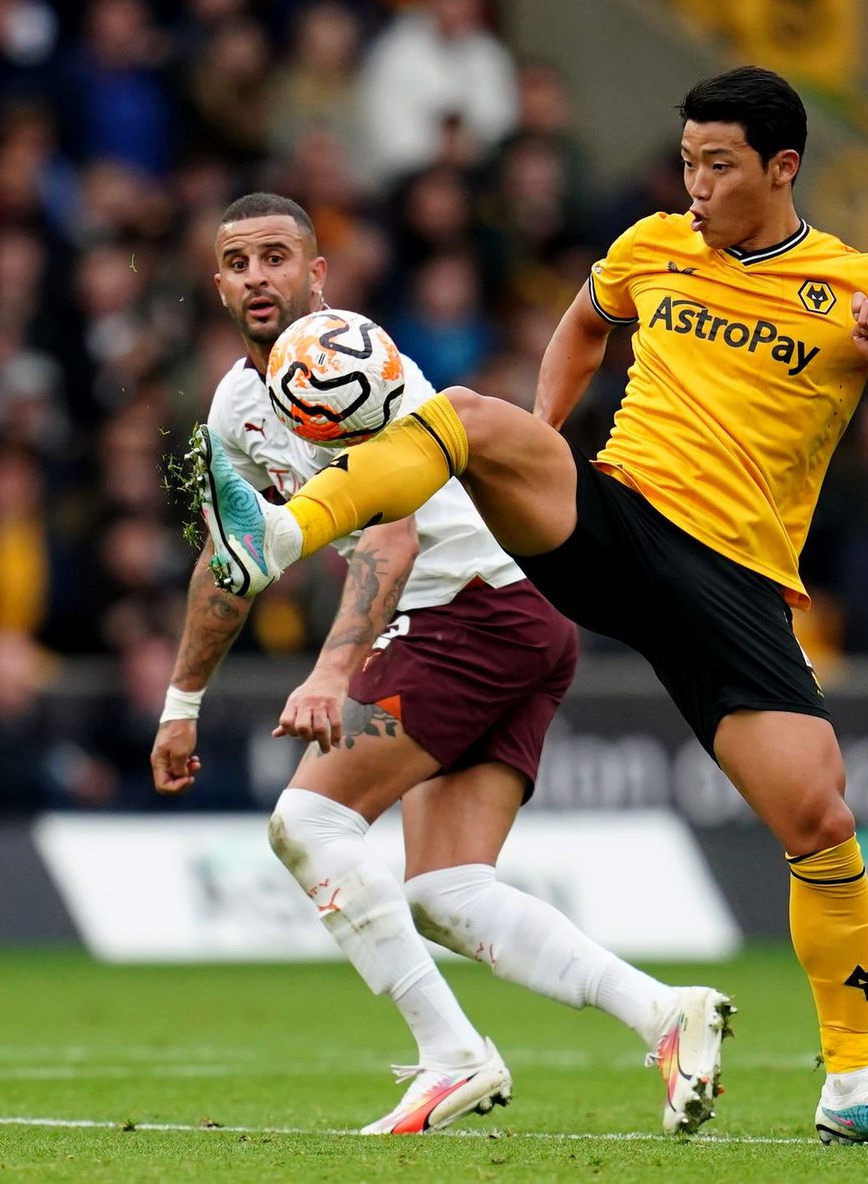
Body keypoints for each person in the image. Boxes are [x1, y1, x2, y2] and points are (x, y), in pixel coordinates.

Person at [193, 70, 868, 1145]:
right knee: (473, 418)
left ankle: (851, 1087)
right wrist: (539, 439)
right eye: (687, 162)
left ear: (781, 167)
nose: (696, 184)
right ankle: (291, 531)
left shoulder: (854, 285)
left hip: (736, 586)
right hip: (614, 518)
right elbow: (582, 324)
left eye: (717, 165)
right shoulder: (650, 245)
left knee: (821, 820)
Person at [154, 192, 732, 1136]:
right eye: (237, 261)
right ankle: (664, 1014)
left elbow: (395, 525)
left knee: (307, 823)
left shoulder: (350, 360)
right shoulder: (231, 408)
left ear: (316, 274)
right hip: (514, 618)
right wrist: (182, 699)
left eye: (276, 257)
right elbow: (225, 554)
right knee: (445, 891)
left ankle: (453, 1055)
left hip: (469, 614)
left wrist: (333, 673)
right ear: (217, 281)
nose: (258, 277)